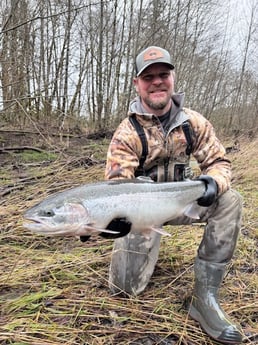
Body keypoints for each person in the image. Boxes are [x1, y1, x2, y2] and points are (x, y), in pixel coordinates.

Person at [104, 46, 243, 344]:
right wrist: (109, 223)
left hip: (183, 203)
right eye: (148, 76)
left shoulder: (194, 123)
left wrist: (212, 184)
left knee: (231, 200)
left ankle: (204, 296)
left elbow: (220, 163)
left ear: (173, 78)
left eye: (163, 75)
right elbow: (116, 187)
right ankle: (141, 255)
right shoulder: (127, 133)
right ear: (137, 84)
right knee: (125, 290)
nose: (157, 82)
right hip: (142, 215)